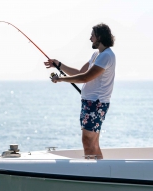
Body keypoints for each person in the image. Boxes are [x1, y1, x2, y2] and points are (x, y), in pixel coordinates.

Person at [44, 23, 115, 159]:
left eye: (92, 36)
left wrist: (61, 79)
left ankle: (93, 173)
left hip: (96, 103)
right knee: (91, 141)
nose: (90, 39)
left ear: (99, 37)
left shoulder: (106, 56)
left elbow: (85, 77)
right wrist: (58, 65)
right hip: (90, 103)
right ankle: (98, 172)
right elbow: (80, 72)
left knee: (88, 141)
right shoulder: (97, 55)